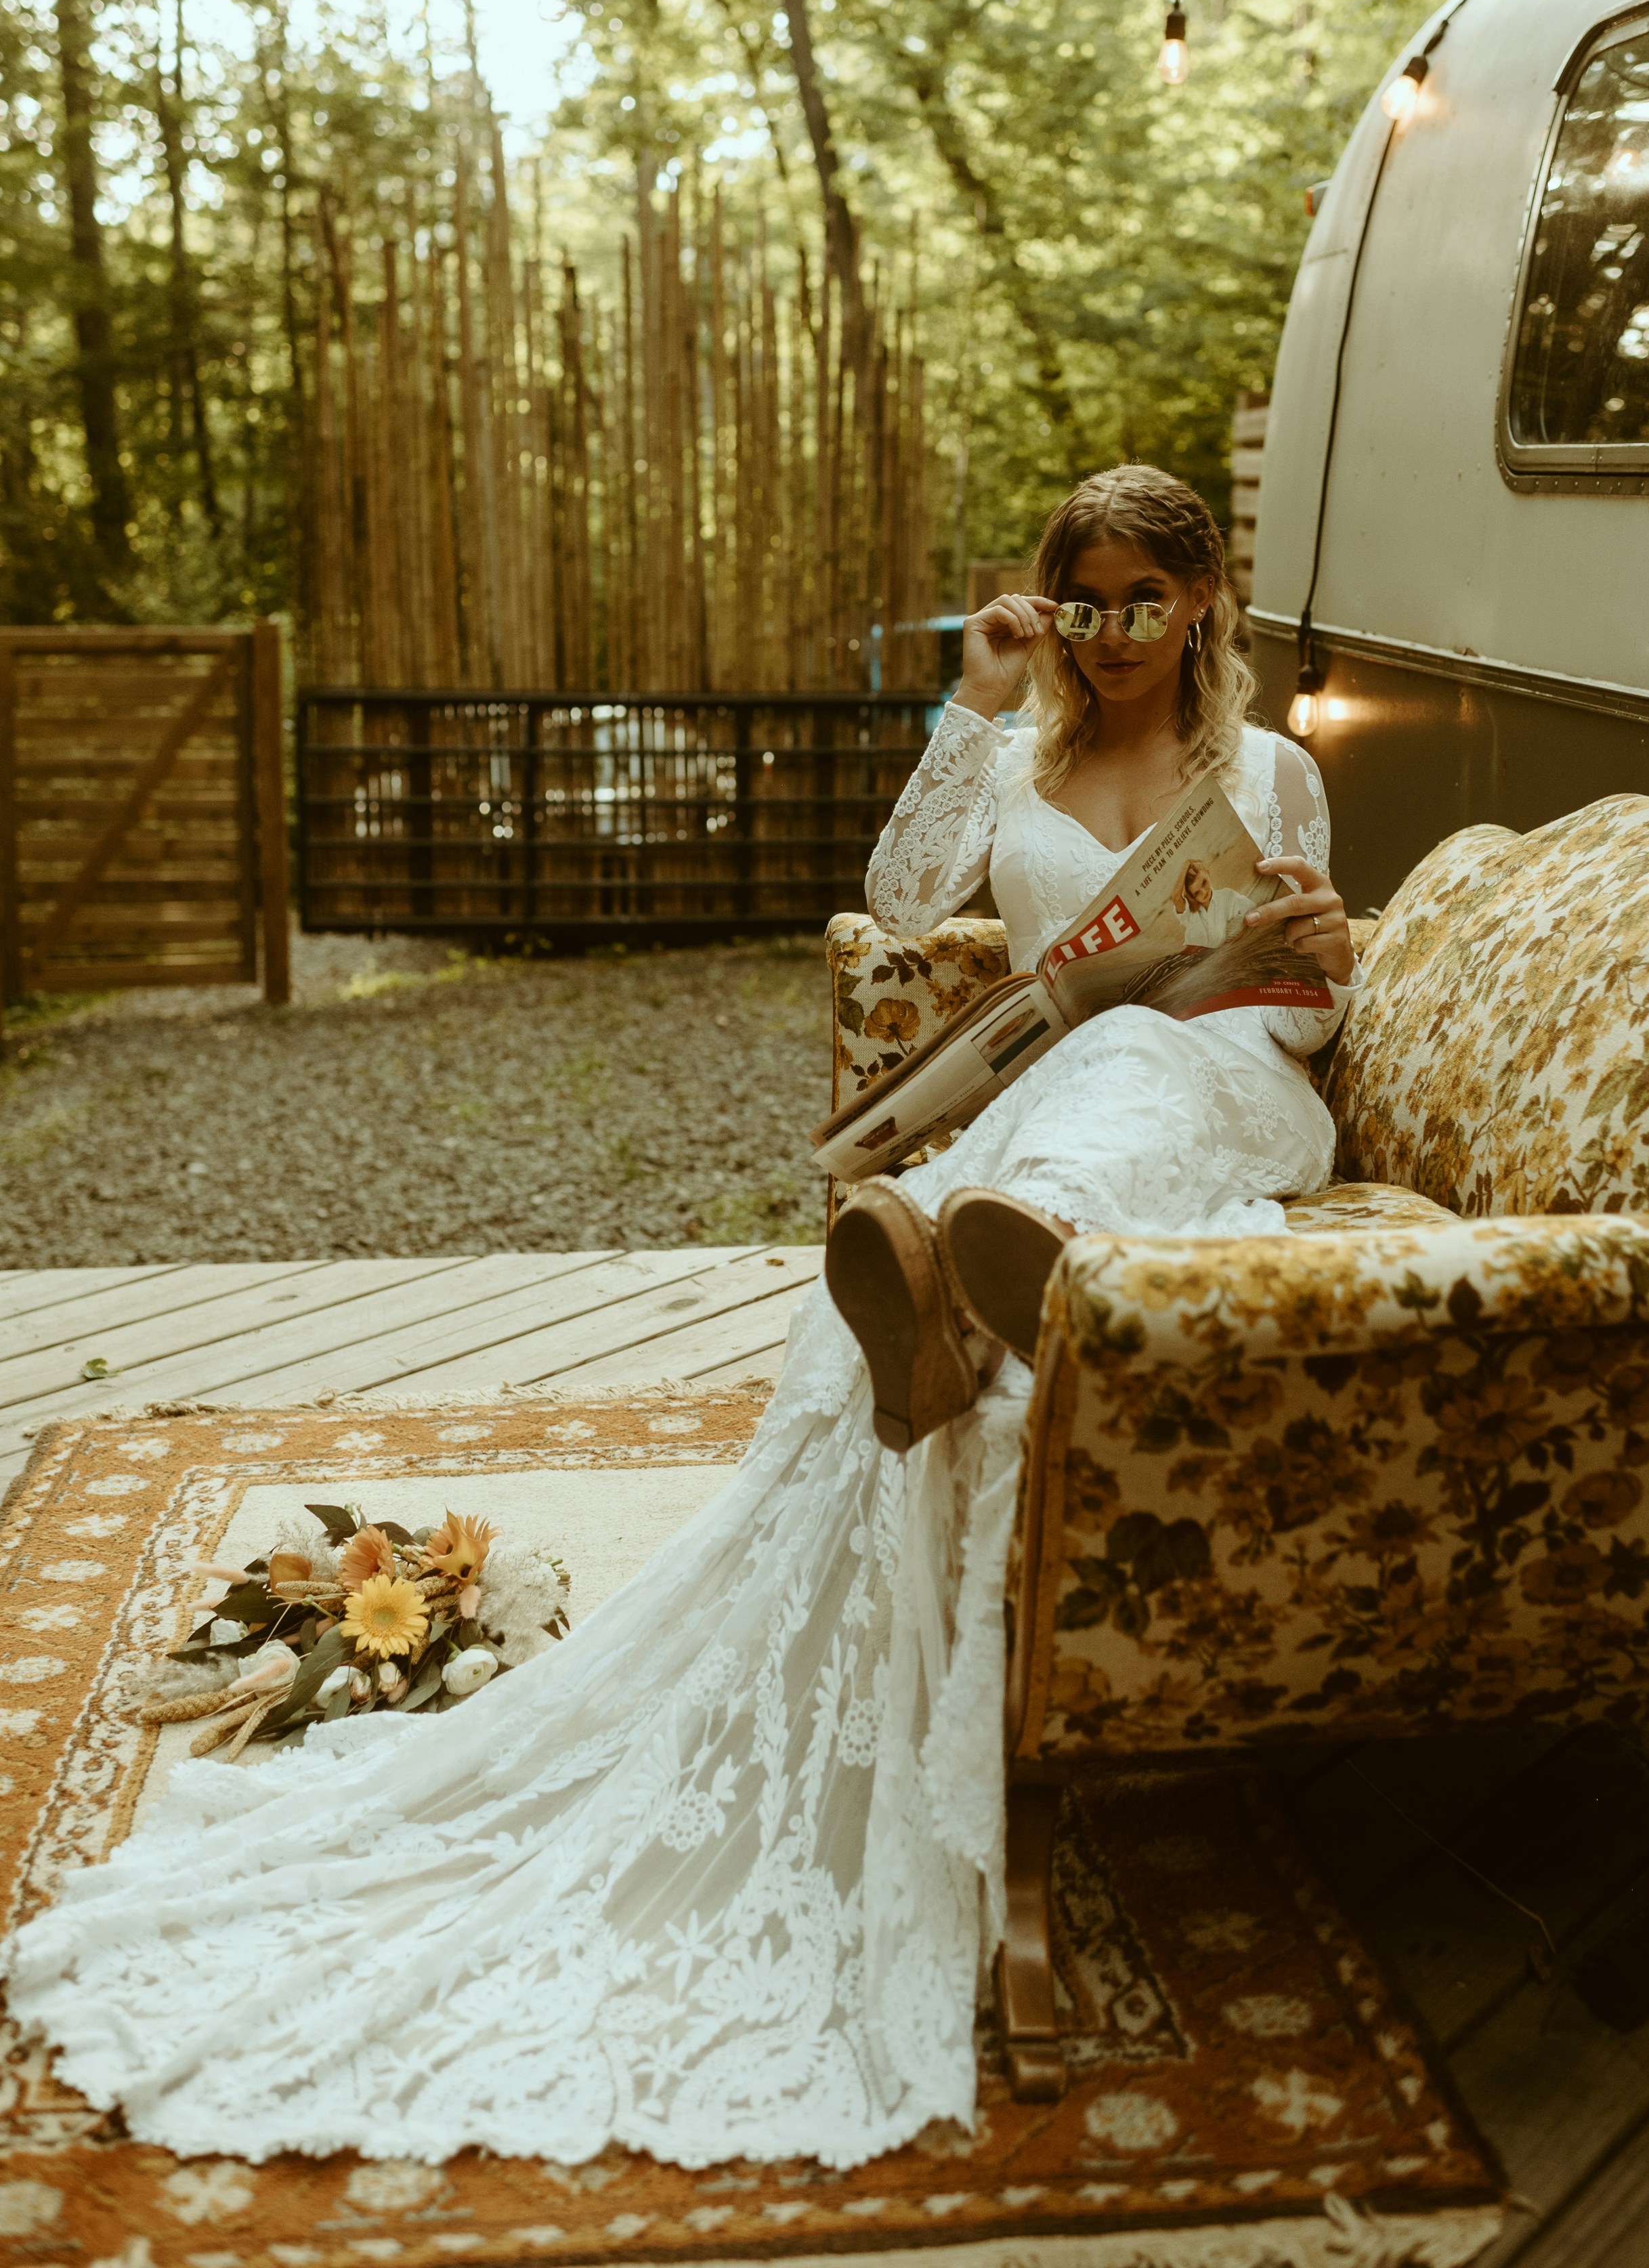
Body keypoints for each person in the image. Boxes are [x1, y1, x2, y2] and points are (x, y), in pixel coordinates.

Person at [3, 465, 1354, 2177]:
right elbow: (902, 890)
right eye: (1081, 601)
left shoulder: (1274, 771)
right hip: (1042, 1094)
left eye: (1141, 603)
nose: (1112, 633)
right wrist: (975, 700)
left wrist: (1307, 954)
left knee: (1143, 1059)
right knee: (1053, 1114)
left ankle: (985, 1273)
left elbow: (1306, 997)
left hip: (1217, 1082)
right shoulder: (1024, 750)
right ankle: (974, 1283)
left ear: (1201, 603)